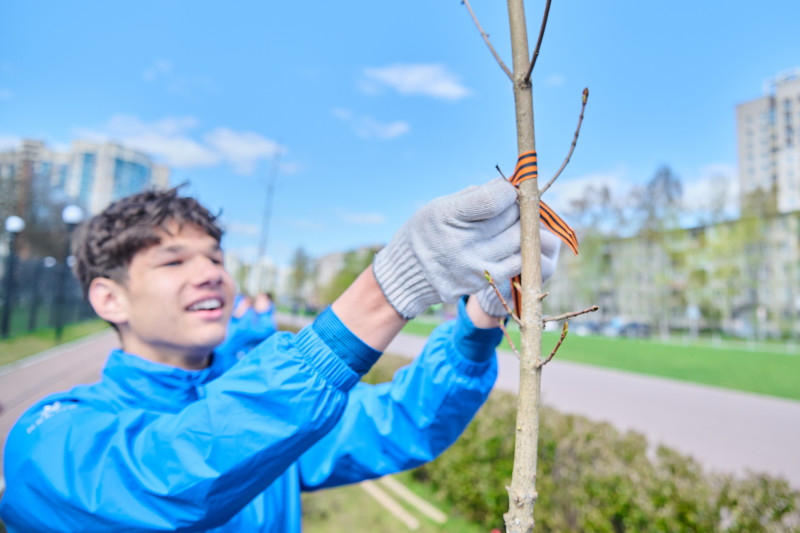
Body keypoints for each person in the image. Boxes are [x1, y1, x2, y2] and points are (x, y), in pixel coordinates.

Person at [0, 179, 560, 532]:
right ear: (108, 297)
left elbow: (400, 423)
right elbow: (168, 480)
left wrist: (479, 320)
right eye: (173, 262)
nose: (210, 274)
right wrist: (388, 289)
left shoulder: (276, 421)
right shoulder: (46, 438)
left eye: (215, 257)